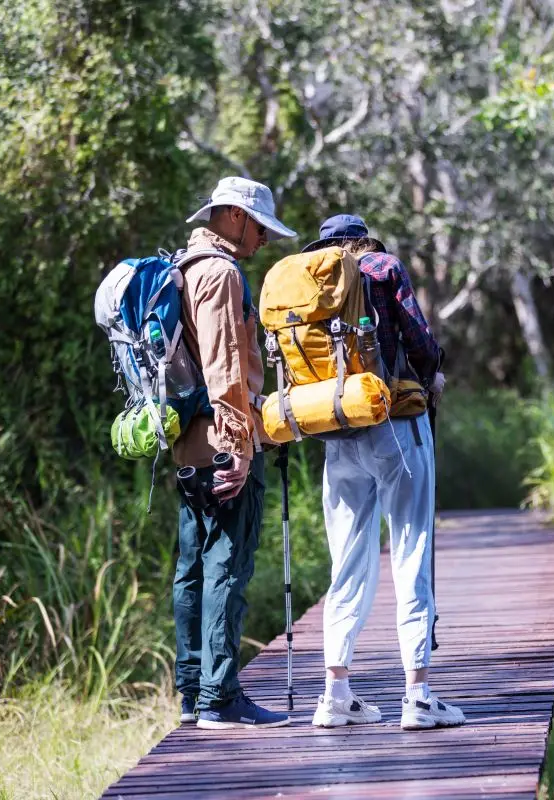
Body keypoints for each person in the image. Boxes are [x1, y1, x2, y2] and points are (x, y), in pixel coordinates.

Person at [304, 214, 463, 730]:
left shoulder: (309, 281)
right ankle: (417, 696)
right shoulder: (382, 267)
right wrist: (434, 372)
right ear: (363, 240)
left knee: (346, 563)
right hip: (394, 425)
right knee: (411, 549)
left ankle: (336, 692)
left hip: (337, 431)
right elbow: (419, 339)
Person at [173, 176, 297, 729]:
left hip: (187, 445)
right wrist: (239, 448)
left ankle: (193, 694)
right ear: (235, 217)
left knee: (192, 570)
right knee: (226, 566)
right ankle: (220, 697)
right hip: (222, 446)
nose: (264, 240)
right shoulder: (221, 274)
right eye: (261, 227)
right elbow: (225, 369)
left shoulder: (184, 267)